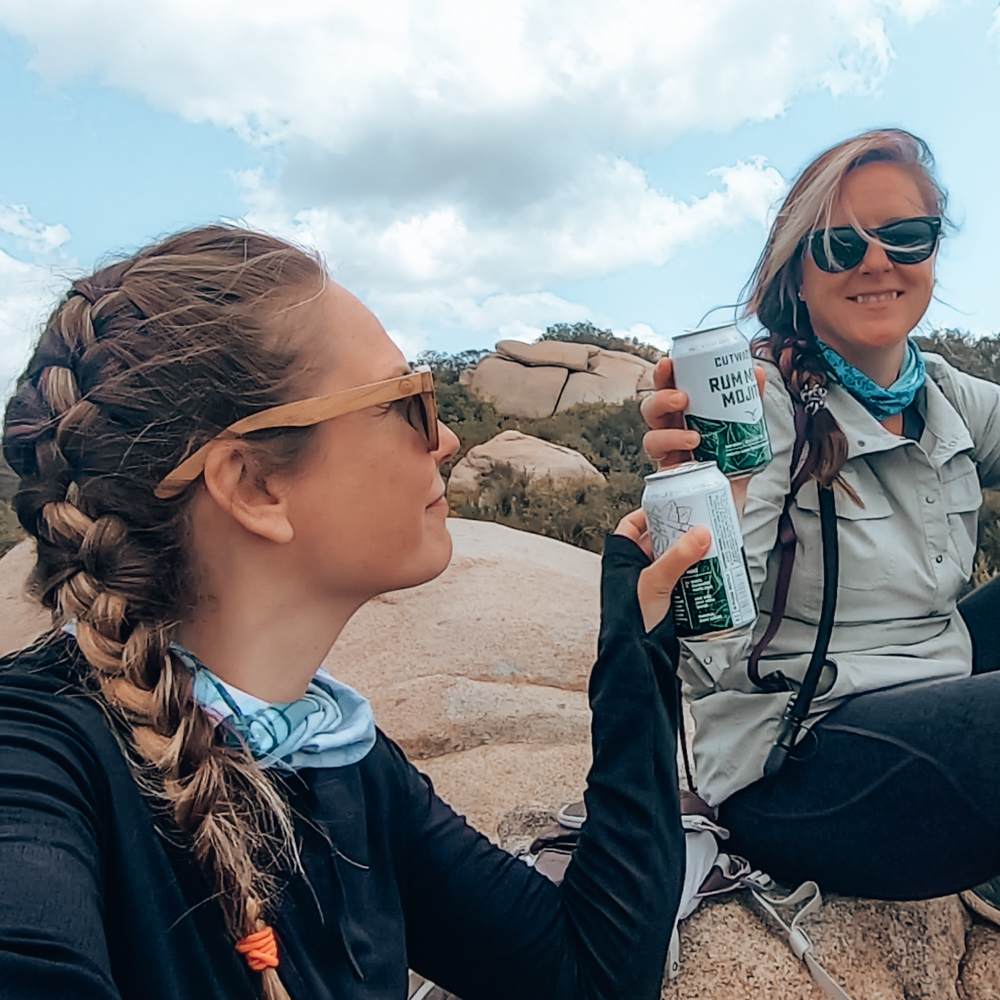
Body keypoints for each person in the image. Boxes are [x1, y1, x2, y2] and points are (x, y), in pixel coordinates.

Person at [0, 226, 703, 1000]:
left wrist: (636, 645)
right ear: (256, 485)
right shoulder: (34, 764)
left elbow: (588, 975)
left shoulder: (340, 760)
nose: (445, 437)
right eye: (407, 402)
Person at [641, 129, 1000, 911]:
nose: (879, 262)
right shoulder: (755, 407)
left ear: (933, 253)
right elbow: (703, 660)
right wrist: (711, 504)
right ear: (797, 276)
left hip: (941, 691)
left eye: (907, 236)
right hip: (803, 762)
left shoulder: (939, 392)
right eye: (840, 246)